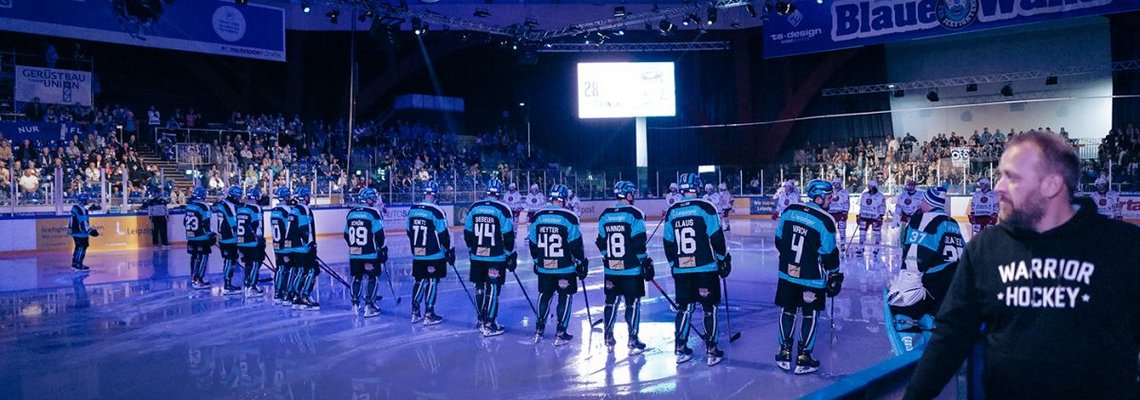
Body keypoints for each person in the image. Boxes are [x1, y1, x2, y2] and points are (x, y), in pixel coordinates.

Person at [905, 131, 1140, 399]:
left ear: (1051, 184)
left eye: (1012, 177)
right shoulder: (984, 250)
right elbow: (950, 335)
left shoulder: (1125, 248)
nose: (998, 187)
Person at [663, 173, 731, 366]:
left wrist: (672, 265)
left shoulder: (672, 211)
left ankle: (680, 347)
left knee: (684, 308)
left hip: (682, 270)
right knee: (709, 308)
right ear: (697, 187)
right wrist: (722, 259)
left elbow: (668, 242)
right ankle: (711, 349)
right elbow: (717, 237)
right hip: (705, 269)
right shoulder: (705, 207)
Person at [774, 179, 840, 374]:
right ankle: (804, 357)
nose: (831, 201)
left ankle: (784, 353)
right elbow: (829, 253)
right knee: (810, 314)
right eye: (828, 197)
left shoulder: (789, 211)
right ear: (818, 198)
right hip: (811, 278)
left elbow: (779, 241)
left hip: (787, 274)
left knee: (788, 310)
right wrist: (835, 275)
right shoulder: (825, 220)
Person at [887, 186, 963, 352]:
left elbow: (915, 257)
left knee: (896, 301)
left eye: (922, 200)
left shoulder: (924, 219)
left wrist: (902, 286)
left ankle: (906, 343)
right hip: (954, 285)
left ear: (929, 203)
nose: (919, 203)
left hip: (933, 284)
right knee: (930, 307)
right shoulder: (952, 222)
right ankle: (930, 322)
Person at [596, 181, 652, 355]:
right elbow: (639, 244)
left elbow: (601, 242)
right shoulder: (635, 214)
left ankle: (608, 336)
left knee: (610, 302)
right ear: (627, 194)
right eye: (632, 193)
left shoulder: (605, 214)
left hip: (611, 269)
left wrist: (608, 256)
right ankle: (633, 339)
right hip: (631, 269)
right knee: (632, 303)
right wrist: (645, 262)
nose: (633, 196)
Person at [529, 184, 587, 346]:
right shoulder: (569, 217)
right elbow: (575, 244)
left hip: (544, 266)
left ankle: (539, 329)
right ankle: (561, 333)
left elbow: (532, 242)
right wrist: (581, 262)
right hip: (565, 267)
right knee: (565, 296)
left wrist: (536, 260)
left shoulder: (538, 216)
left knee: (544, 295)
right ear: (563, 199)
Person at [464, 178, 516, 337]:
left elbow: (467, 232)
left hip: (477, 255)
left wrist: (472, 249)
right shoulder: (502, 208)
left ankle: (480, 318)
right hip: (496, 256)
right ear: (499, 192)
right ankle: (490, 323)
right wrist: (509, 254)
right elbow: (508, 235)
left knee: (479, 285)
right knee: (493, 287)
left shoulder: (475, 207)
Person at [407, 181, 449, 325]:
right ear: (436, 193)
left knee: (419, 280)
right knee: (432, 281)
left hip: (417, 253)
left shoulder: (413, 209)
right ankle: (429, 313)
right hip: (434, 253)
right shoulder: (436, 211)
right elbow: (443, 234)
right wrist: (449, 250)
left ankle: (415, 312)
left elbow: (409, 231)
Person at [347, 187, 387, 318]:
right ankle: (369, 306)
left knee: (356, 277)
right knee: (372, 277)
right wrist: (383, 248)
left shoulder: (351, 213)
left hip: (354, 253)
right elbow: (379, 234)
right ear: (367, 199)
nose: (375, 199)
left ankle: (354, 304)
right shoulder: (373, 213)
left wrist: (354, 247)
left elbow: (346, 234)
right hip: (370, 253)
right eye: (372, 197)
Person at [287, 187, 319, 310]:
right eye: (308, 195)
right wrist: (310, 244)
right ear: (304, 197)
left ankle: (295, 296)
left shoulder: (294, 210)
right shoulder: (304, 210)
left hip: (294, 247)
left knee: (300, 271)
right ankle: (304, 295)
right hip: (304, 247)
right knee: (312, 271)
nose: (309, 197)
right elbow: (305, 229)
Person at [183, 187, 215, 289]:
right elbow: (206, 223)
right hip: (201, 237)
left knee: (194, 257)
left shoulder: (189, 206)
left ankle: (193, 278)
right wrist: (210, 234)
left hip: (190, 236)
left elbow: (185, 222)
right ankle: (198, 279)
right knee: (203, 257)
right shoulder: (205, 207)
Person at [215, 186, 244, 295]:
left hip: (226, 236)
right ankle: (227, 284)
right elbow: (233, 222)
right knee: (229, 260)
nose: (239, 198)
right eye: (238, 196)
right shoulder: (227, 205)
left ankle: (228, 282)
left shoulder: (223, 204)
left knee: (231, 259)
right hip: (229, 237)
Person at [270, 187, 296, 305]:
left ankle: (277, 292)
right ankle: (287, 293)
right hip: (286, 244)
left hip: (276, 243)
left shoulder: (274, 210)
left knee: (279, 268)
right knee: (290, 268)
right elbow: (289, 229)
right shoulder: (288, 211)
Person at [856, 179, 886, 256]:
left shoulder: (880, 196)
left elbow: (883, 206)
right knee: (862, 233)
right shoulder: (864, 195)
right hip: (864, 216)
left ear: (874, 186)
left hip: (875, 217)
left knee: (877, 233)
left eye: (870, 186)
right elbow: (861, 205)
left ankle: (876, 248)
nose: (869, 187)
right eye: (868, 186)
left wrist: (881, 215)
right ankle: (861, 248)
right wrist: (859, 215)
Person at [68, 194, 97, 272]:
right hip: (81, 232)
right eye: (87, 199)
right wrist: (91, 231)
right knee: (82, 246)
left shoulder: (75, 209)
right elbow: (83, 223)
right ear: (84, 200)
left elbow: (70, 221)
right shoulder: (81, 210)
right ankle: (78, 264)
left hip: (75, 232)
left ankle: (75, 263)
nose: (88, 201)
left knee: (78, 247)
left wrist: (70, 231)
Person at [828, 177, 851, 253]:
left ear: (840, 184)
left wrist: (845, 212)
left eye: (837, 183)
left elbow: (847, 203)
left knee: (842, 230)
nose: (835, 185)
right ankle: (831, 244)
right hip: (831, 213)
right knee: (831, 230)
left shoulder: (844, 192)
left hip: (840, 212)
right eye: (834, 183)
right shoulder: (829, 192)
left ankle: (842, 244)